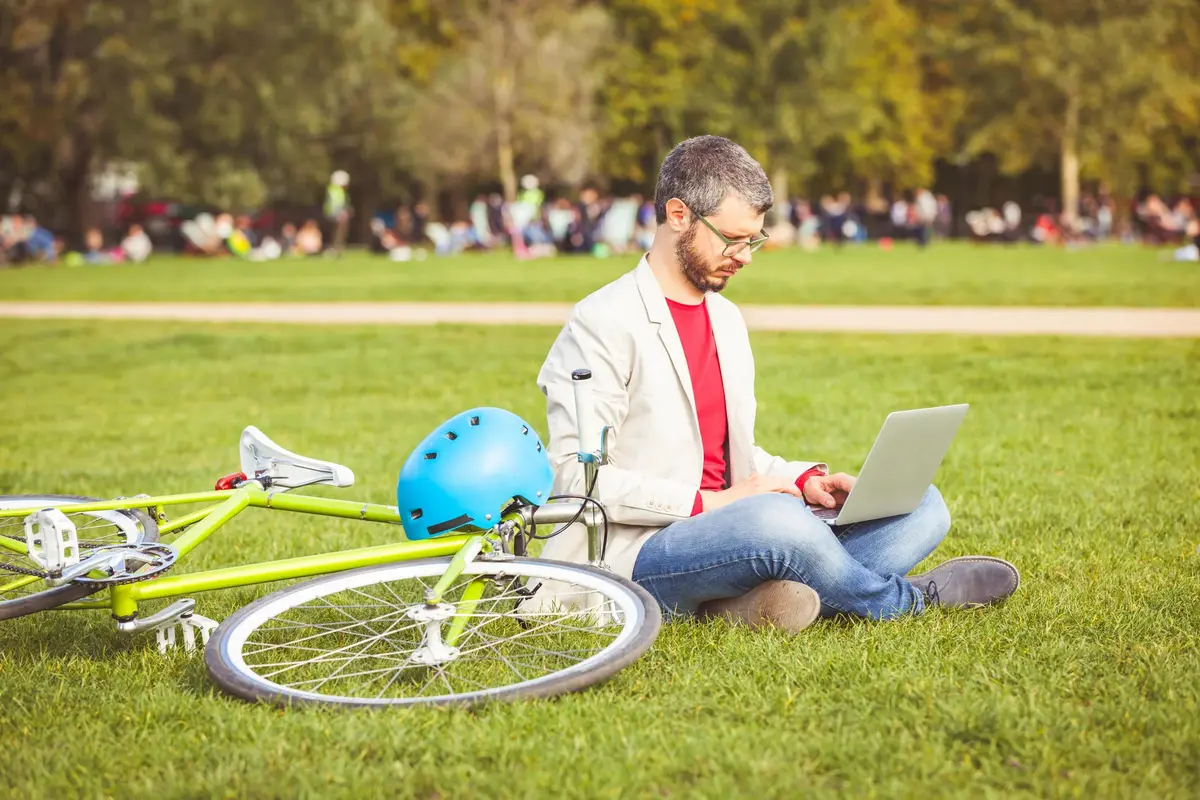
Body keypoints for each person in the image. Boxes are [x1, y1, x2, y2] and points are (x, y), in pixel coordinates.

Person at [535, 135, 1019, 633]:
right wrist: (712, 504)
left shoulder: (725, 318)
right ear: (678, 215)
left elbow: (723, 454)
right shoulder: (602, 321)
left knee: (923, 506)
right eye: (733, 239)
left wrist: (807, 481)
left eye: (754, 240)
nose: (745, 257)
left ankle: (740, 605)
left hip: (740, 527)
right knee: (778, 525)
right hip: (640, 549)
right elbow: (576, 479)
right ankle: (906, 600)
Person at [323, 170, 352, 256]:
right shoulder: (336, 191)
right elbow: (336, 203)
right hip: (336, 216)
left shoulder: (336, 190)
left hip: (335, 215)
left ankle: (336, 249)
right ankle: (334, 250)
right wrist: (340, 213)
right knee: (337, 234)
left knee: (338, 234)